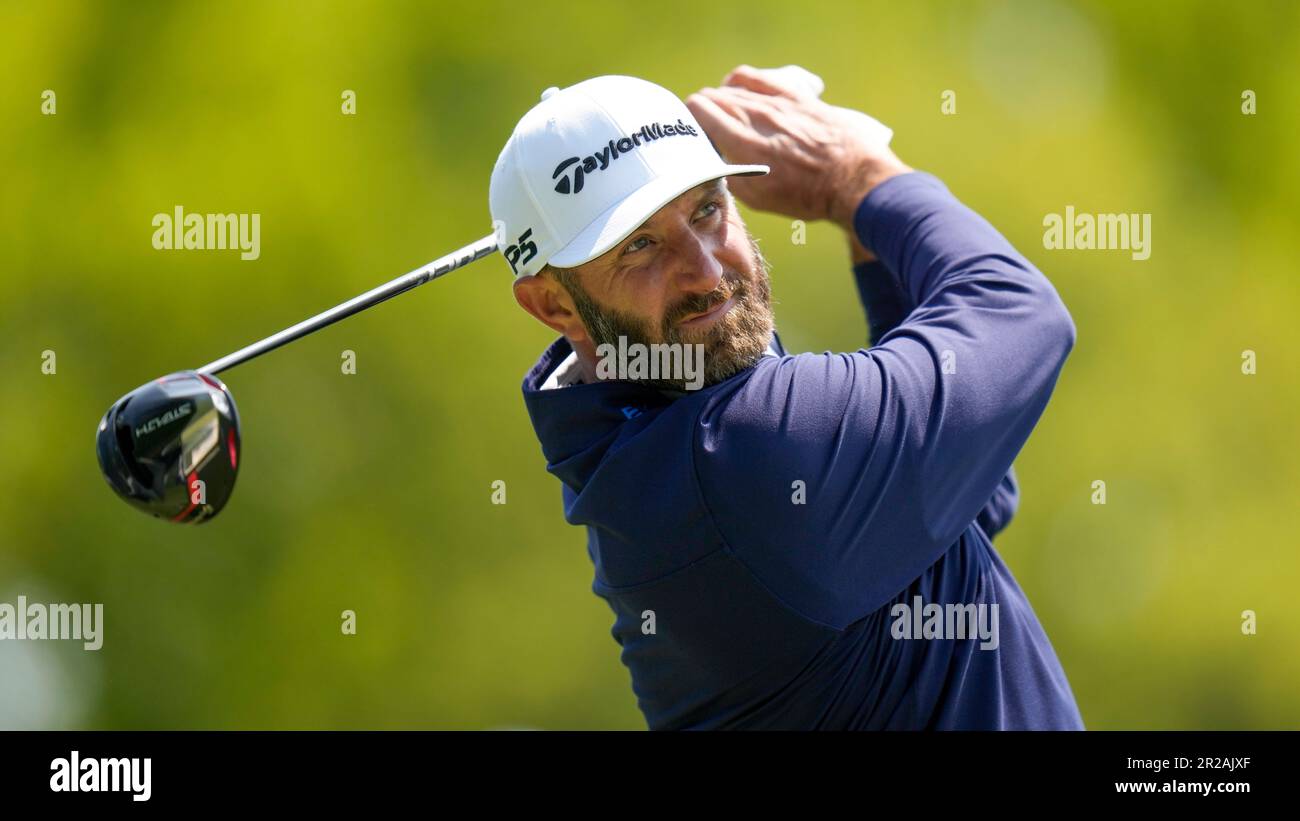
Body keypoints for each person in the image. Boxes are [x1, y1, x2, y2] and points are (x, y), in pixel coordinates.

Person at [490, 65, 1083, 729]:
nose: (706, 270)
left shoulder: (649, 440)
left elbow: (967, 495)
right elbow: (1023, 316)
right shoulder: (745, 450)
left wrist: (866, 223)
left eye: (708, 209)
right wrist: (857, 177)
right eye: (641, 246)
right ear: (552, 303)